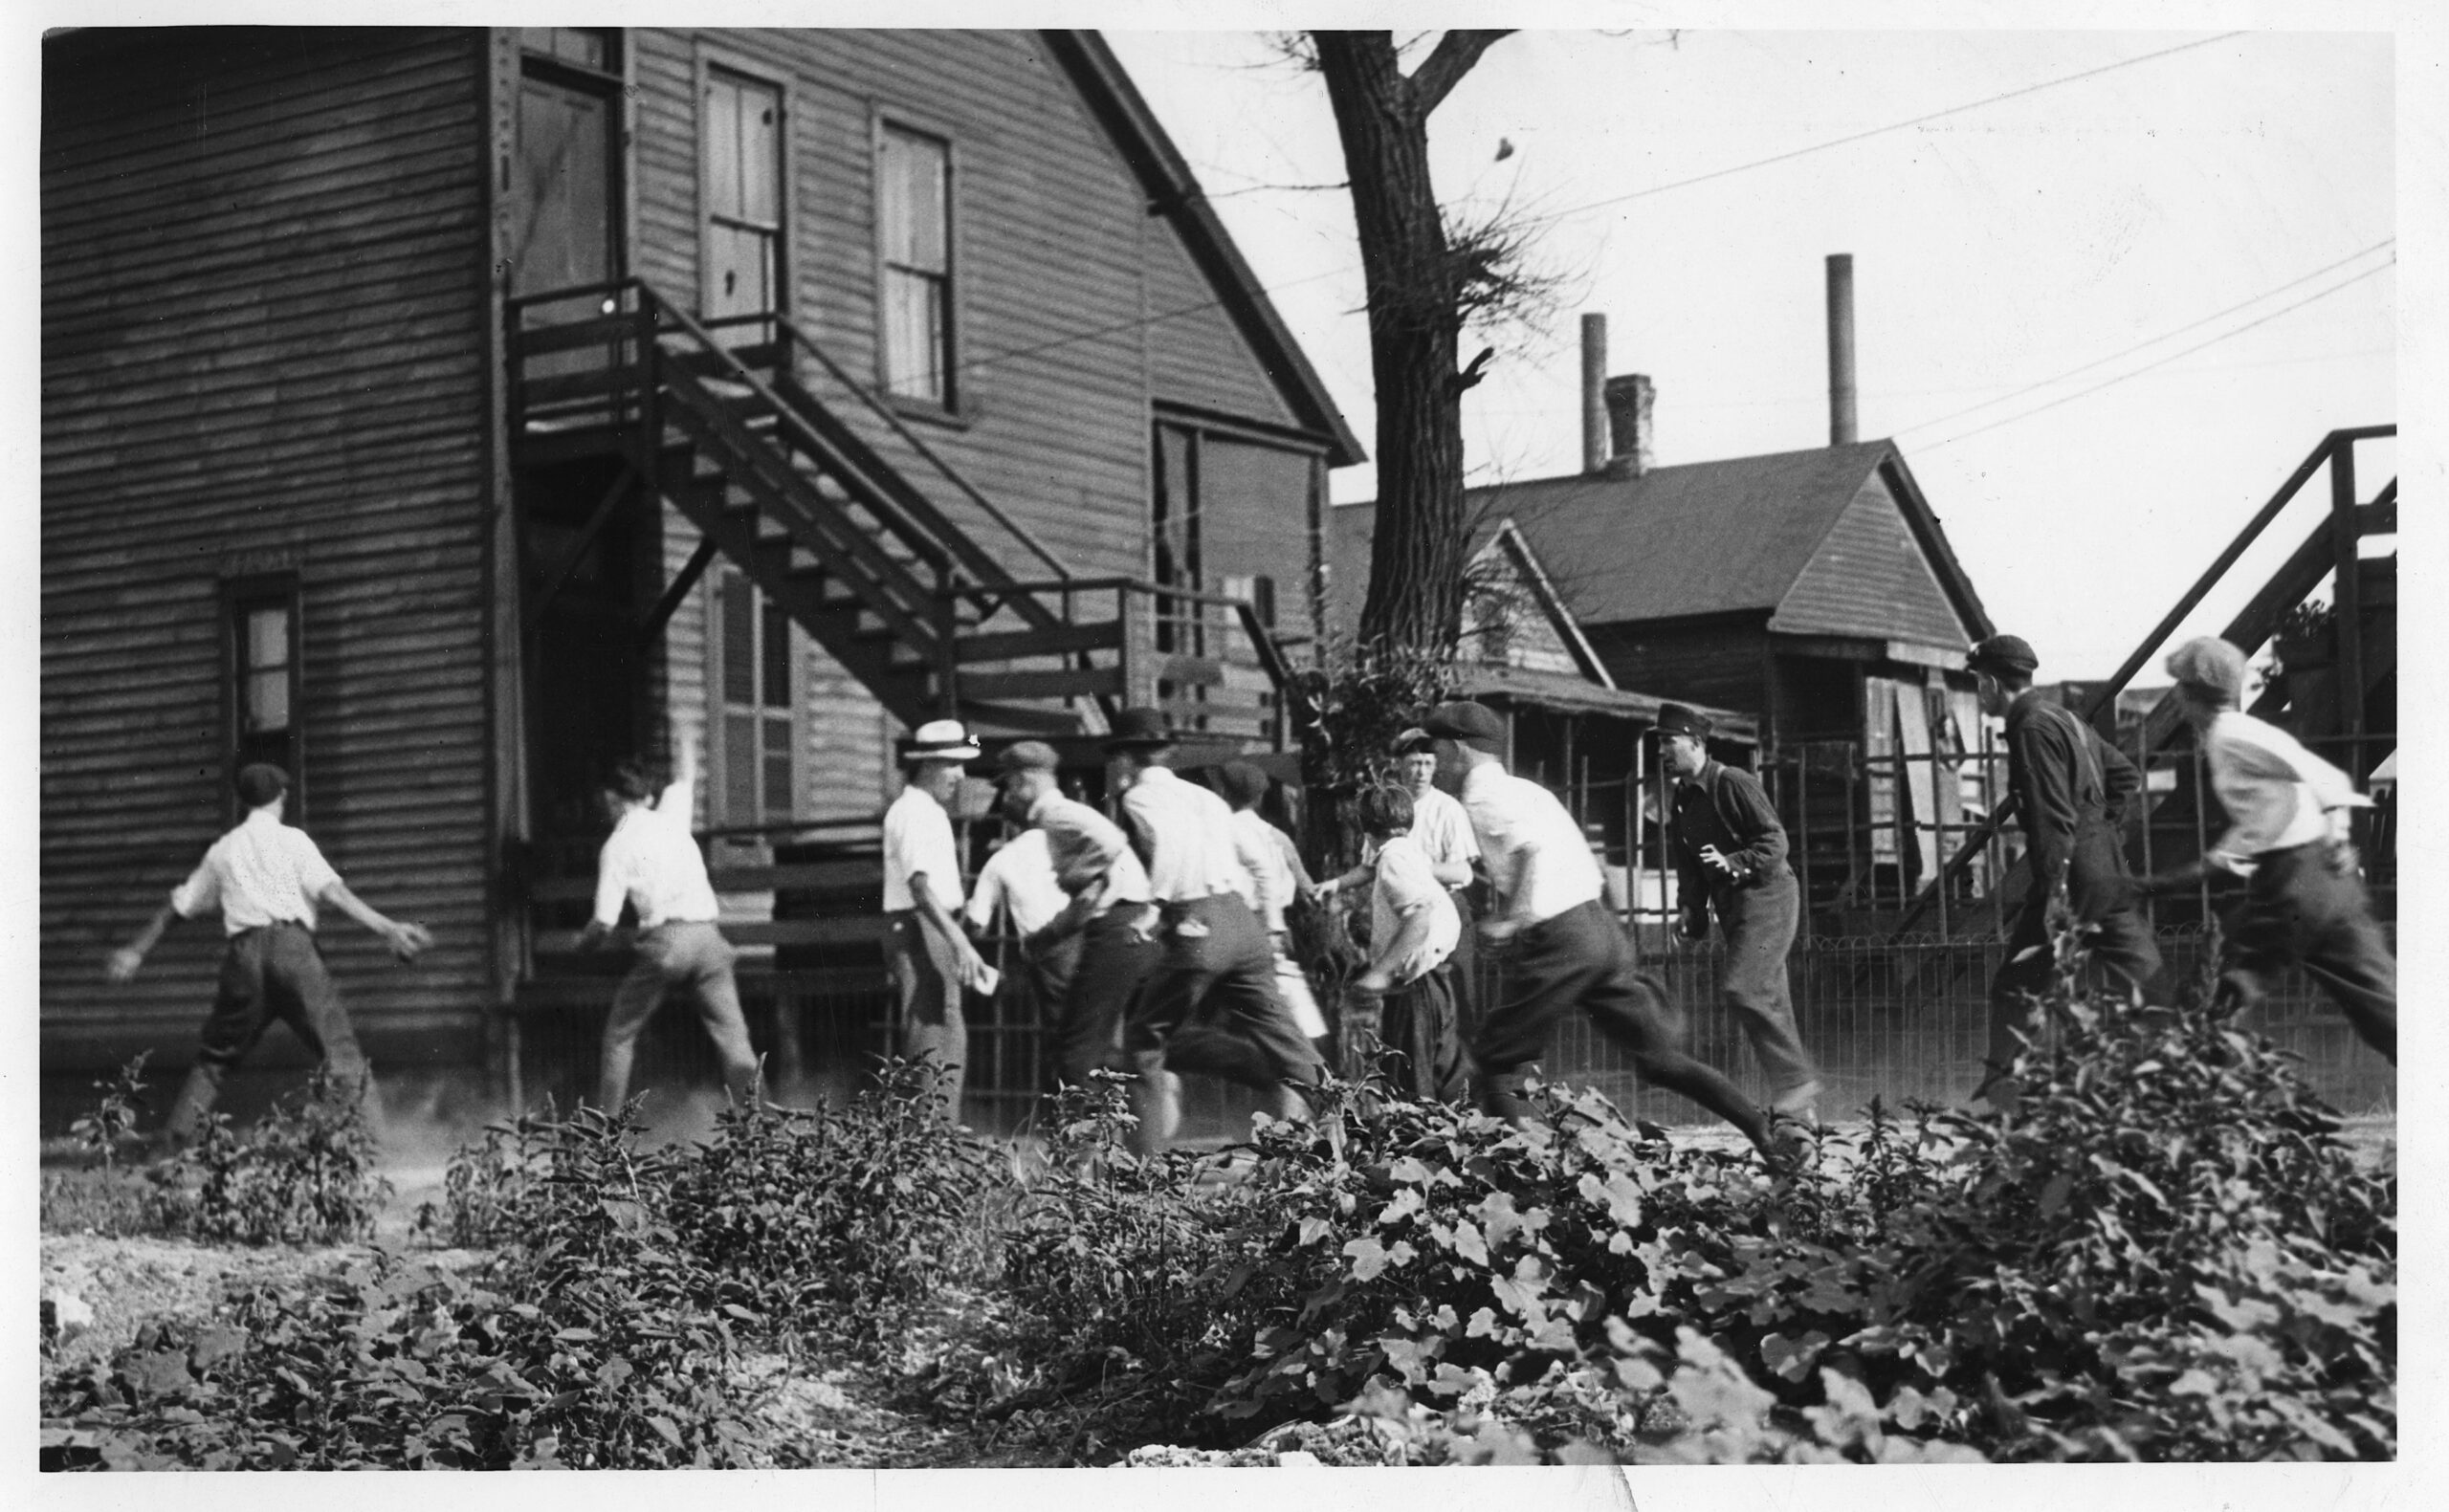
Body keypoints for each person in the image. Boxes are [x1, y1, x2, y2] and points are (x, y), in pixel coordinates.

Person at [1419, 700, 1782, 1161]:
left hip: (1561, 939)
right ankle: (1765, 1132)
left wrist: (1511, 917)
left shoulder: (1480, 797)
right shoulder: (1529, 791)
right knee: (1660, 1061)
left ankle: (1520, 1173)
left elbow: (1529, 851)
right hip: (1601, 930)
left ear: (1457, 749)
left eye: (1436, 749)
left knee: (1498, 1055)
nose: (1433, 761)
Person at [108, 762, 431, 1148]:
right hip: (293, 951)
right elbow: (334, 893)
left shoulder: (224, 849)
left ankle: (172, 1149)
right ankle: (379, 1148)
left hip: (244, 958)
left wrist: (136, 950)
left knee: (215, 1059)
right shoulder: (293, 840)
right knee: (340, 1051)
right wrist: (388, 928)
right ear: (281, 796)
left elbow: (178, 907)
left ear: (243, 800)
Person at [2138, 636, 2394, 1063]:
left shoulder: (2231, 736)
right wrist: (2195, 871)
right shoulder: (2230, 736)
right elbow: (2264, 820)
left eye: (2179, 689)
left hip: (2292, 882)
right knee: (2384, 1006)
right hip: (2327, 882)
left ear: (2188, 694)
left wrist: (2339, 835)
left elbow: (2324, 777)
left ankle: (2191, 1087)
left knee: (2213, 992)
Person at [1107, 708, 1325, 1153]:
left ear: (1125, 756)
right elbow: (1259, 860)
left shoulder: (1138, 798)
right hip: (1244, 922)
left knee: (1144, 1042)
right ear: (1167, 751)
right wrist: (1272, 924)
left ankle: (1141, 1168)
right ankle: (1355, 1128)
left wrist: (1154, 907)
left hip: (1197, 921)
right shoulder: (1205, 798)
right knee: (1288, 1043)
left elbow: (1166, 849)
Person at [1968, 634, 2163, 1109]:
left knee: (2016, 987)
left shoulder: (2031, 728)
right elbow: (2125, 776)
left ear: (1991, 683)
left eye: (1977, 684)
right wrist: (2100, 832)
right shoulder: (2066, 718)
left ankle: (2010, 1102)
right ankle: (2184, 1077)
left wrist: (2056, 886)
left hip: (2072, 877)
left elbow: (2051, 816)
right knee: (2145, 979)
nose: (1978, 693)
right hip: (2107, 869)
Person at [1657, 704, 1823, 1121]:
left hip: (1768, 898)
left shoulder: (1732, 782)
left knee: (1743, 987)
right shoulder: (1682, 800)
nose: (1661, 751)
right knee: (1770, 998)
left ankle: (1797, 1083)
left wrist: (1733, 862)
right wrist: (1690, 910)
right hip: (1734, 907)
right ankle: (1801, 1114)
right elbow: (1690, 866)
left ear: (1696, 742)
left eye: (1669, 741)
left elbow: (1774, 842)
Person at [582, 734, 762, 1114]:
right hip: (709, 940)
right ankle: (761, 1125)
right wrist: (685, 738)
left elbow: (604, 922)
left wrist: (582, 947)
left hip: (667, 946)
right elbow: (685, 776)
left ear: (612, 799)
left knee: (619, 1037)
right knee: (734, 1039)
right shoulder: (671, 817)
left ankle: (605, 1130)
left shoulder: (617, 845)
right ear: (647, 796)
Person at [990, 740, 1159, 1092]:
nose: (1008, 796)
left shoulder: (1055, 814)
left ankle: (1085, 1125)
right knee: (1096, 1045)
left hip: (1117, 922)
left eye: (1010, 786)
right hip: (1122, 923)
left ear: (1024, 782)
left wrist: (1084, 879)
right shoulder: (1056, 816)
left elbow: (1111, 843)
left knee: (1076, 1053)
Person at [884, 718, 992, 1123]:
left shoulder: (926, 810)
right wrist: (961, 942)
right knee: (932, 1035)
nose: (959, 775)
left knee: (945, 1033)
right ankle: (928, 1138)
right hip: (920, 926)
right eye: (951, 764)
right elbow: (920, 887)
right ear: (926, 765)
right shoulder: (915, 812)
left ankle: (935, 1135)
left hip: (932, 925)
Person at [1341, 783, 1470, 1103]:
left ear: (1366, 831)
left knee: (1409, 1092)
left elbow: (1419, 917)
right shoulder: (1413, 855)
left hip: (1416, 986)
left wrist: (1380, 972)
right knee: (1441, 1086)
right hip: (1437, 979)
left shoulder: (1392, 859)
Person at [1213, 759, 1331, 1049]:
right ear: (1259, 797)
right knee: (1288, 1008)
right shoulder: (1279, 838)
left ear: (1224, 793)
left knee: (1242, 1013)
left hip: (1242, 926)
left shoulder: (1222, 832)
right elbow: (1309, 889)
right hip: (1280, 929)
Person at [963, 820, 1078, 1042]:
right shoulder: (1067, 844)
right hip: (1083, 933)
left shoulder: (1002, 858)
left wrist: (964, 917)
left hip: (1044, 948)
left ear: (1010, 825)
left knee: (1061, 1031)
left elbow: (978, 926)